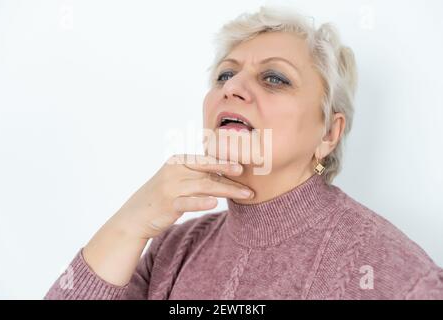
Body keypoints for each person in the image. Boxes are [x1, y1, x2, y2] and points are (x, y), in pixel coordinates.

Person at [45, 6, 443, 300]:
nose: (231, 88)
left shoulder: (395, 275)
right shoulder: (173, 247)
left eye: (274, 78)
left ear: (329, 133)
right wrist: (129, 223)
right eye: (224, 74)